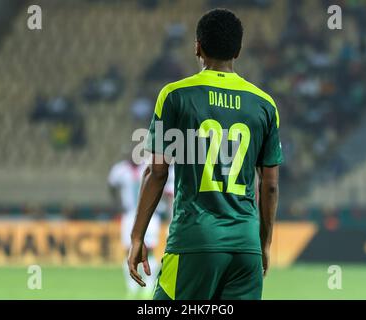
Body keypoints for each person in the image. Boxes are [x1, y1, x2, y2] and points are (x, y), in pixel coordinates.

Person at [127, 9, 283, 300]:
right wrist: (263, 243)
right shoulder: (264, 105)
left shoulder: (175, 95)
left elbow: (157, 172)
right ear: (237, 50)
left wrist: (137, 237)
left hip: (194, 241)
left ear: (197, 46)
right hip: (244, 247)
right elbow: (270, 185)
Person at [108, 153, 173, 299]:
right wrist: (117, 205)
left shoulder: (149, 165)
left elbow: (162, 183)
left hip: (150, 214)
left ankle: (148, 288)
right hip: (129, 214)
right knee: (129, 250)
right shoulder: (120, 169)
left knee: (149, 250)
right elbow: (111, 185)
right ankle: (131, 289)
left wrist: (159, 205)